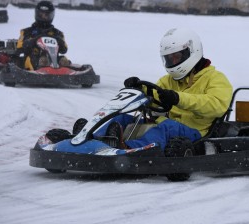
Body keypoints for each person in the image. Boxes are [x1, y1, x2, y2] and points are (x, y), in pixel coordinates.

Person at [96, 28, 233, 151]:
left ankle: (131, 150)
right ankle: (93, 140)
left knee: (167, 127)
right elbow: (155, 97)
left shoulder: (215, 78)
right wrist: (139, 89)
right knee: (122, 118)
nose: (173, 62)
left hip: (195, 131)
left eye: (176, 57)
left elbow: (217, 105)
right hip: (166, 125)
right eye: (169, 58)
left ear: (191, 51)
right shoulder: (168, 80)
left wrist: (178, 98)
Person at [16, 1, 70, 70]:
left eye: (46, 15)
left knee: (63, 60)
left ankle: (63, 73)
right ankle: (43, 68)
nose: (44, 17)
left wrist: (59, 41)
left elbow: (64, 50)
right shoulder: (27, 32)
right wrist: (34, 40)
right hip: (33, 59)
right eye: (41, 14)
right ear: (37, 14)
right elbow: (20, 48)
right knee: (42, 60)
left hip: (54, 60)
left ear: (51, 15)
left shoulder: (58, 33)